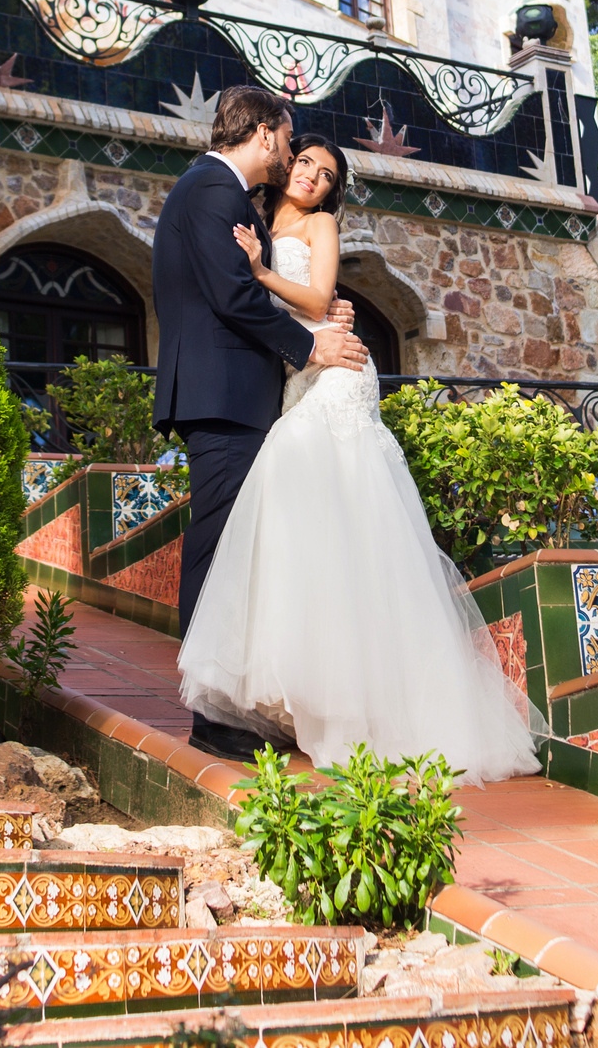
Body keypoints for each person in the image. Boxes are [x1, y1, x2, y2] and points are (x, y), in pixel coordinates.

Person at [175, 132, 545, 780]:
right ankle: (306, 691)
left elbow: (320, 300)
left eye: (327, 174)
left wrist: (260, 272)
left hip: (335, 373)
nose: (312, 177)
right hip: (295, 375)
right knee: (308, 532)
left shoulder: (318, 225)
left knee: (336, 516)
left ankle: (355, 703)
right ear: (288, 163)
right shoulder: (252, 216)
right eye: (306, 162)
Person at [151, 87, 369, 763]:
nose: (293, 155)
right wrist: (310, 346)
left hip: (234, 396)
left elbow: (261, 288)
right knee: (218, 551)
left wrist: (323, 315)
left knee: (237, 550)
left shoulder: (222, 194)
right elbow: (233, 294)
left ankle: (232, 702)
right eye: (290, 140)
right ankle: (211, 712)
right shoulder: (213, 190)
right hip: (222, 397)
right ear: (268, 133)